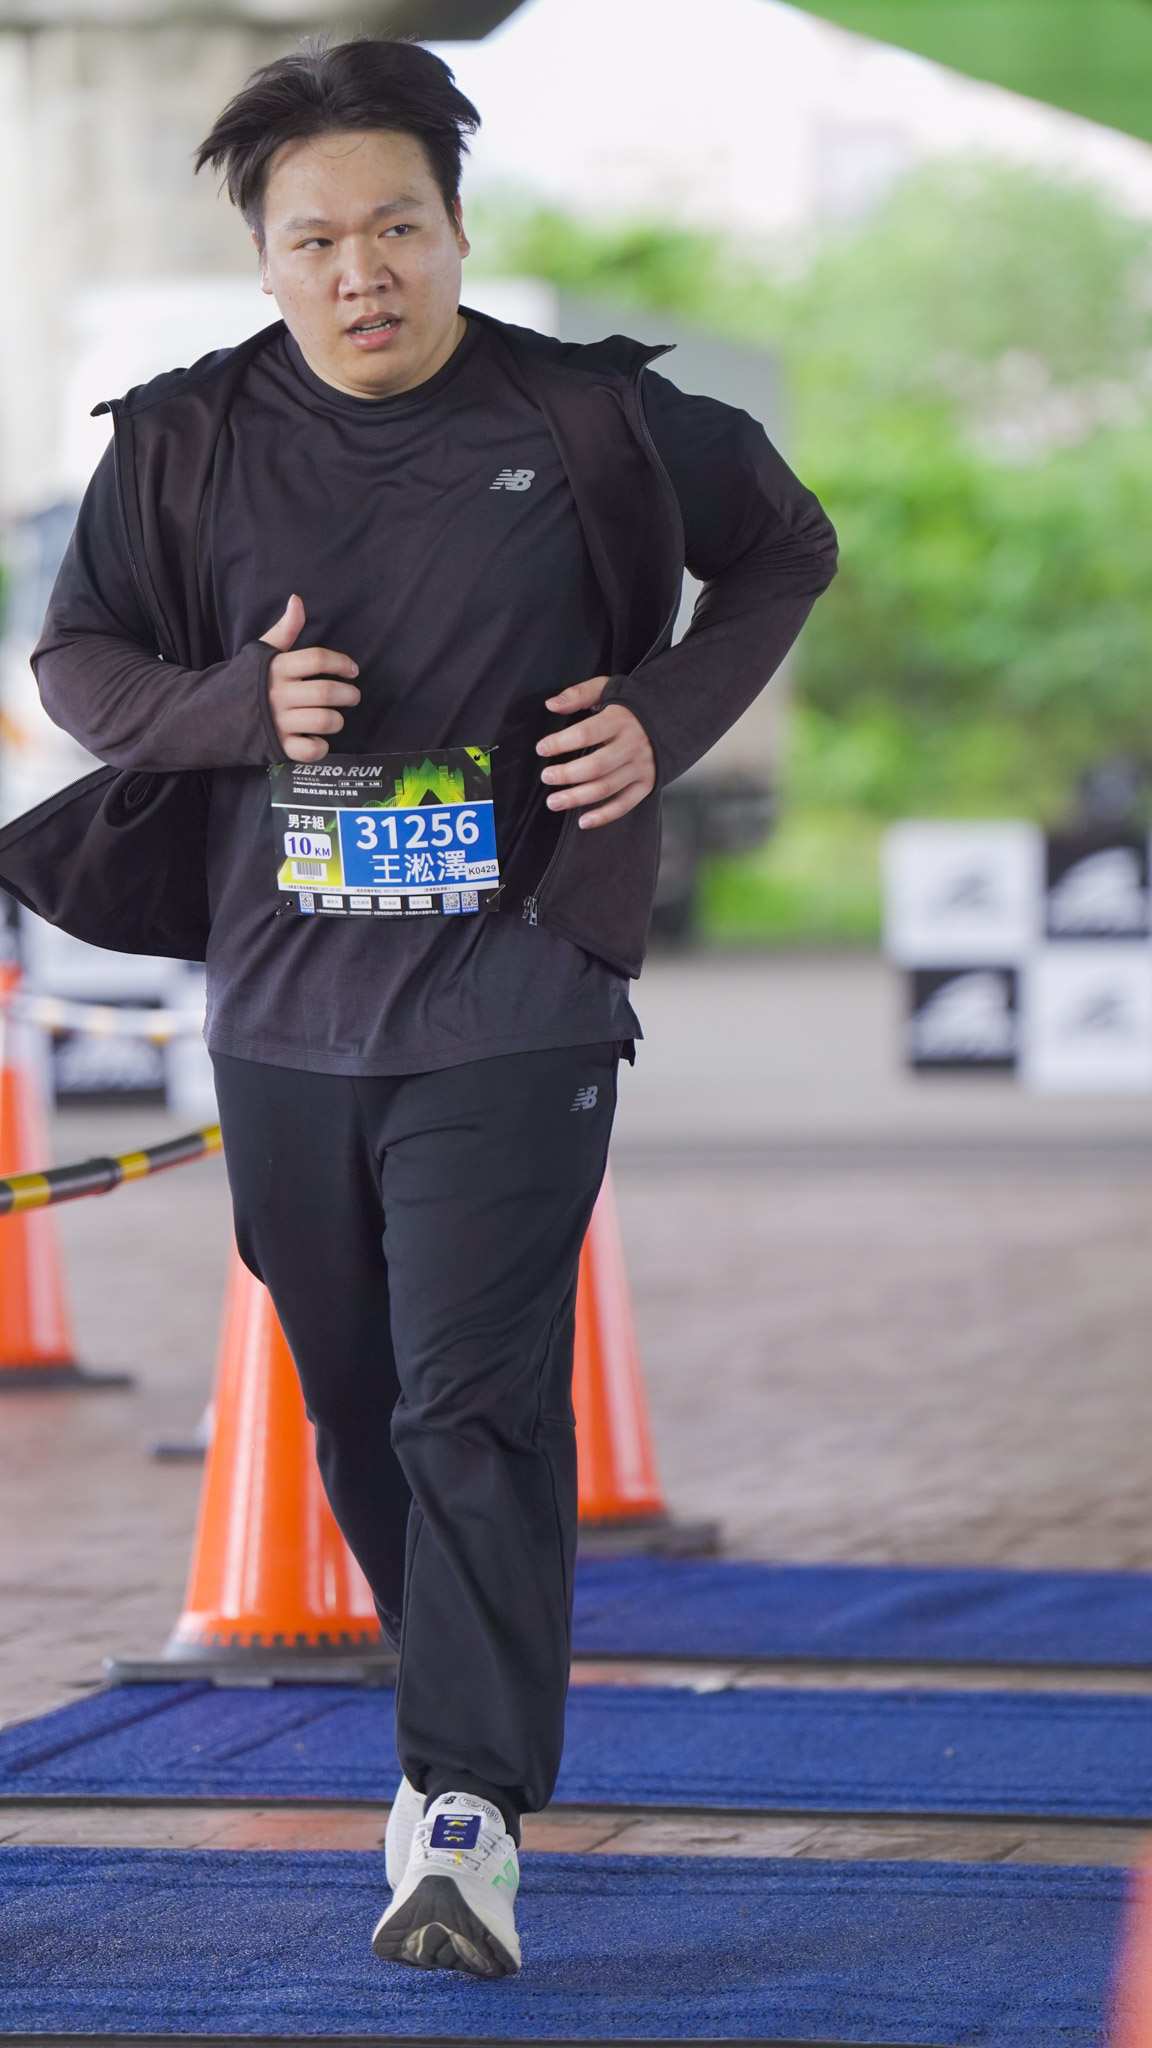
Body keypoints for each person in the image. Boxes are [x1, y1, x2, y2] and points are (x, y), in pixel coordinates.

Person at [30, 35, 837, 1978]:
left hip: (519, 988)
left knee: (474, 1399)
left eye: (395, 226)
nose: (360, 270)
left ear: (457, 229)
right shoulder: (185, 442)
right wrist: (236, 706)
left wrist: (661, 716)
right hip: (285, 1007)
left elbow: (782, 545)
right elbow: (78, 663)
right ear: (267, 260)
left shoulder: (590, 420)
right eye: (315, 239)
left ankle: (465, 1806)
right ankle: (455, 1705)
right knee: (362, 1404)